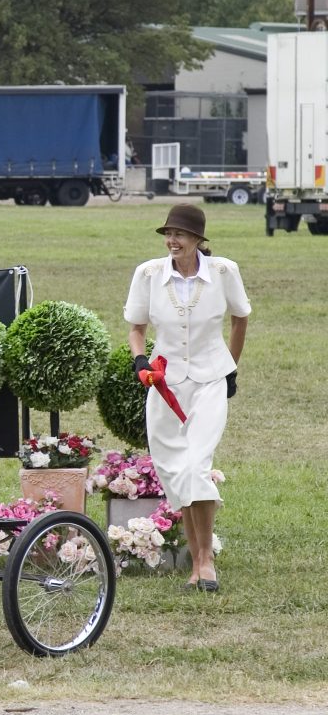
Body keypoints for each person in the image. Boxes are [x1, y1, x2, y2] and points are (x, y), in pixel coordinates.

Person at [124, 204, 250, 593]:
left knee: (197, 464)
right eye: (167, 234)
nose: (172, 240)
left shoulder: (224, 271)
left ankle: (205, 559)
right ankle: (195, 561)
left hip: (210, 380)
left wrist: (230, 367)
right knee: (177, 472)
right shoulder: (147, 274)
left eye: (179, 234)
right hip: (165, 385)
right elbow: (136, 328)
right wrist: (140, 362)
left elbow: (240, 317)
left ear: (198, 239)